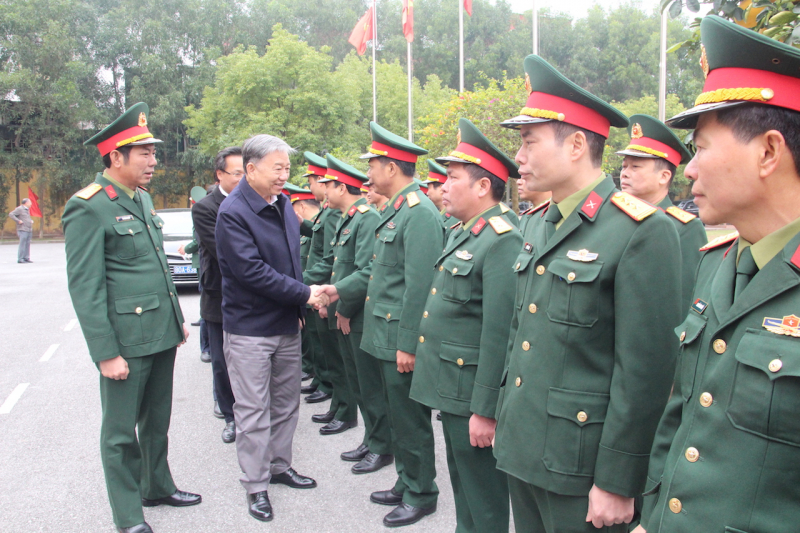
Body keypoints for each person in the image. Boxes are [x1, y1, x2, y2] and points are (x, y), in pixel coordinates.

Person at [492, 56, 683, 533]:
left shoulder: (641, 231)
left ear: (576, 144)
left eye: (529, 141)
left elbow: (646, 372)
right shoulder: (539, 222)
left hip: (582, 468)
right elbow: (523, 334)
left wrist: (619, 480)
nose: (519, 156)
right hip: (524, 446)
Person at [632, 16, 800, 533]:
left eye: (701, 147)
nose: (689, 169)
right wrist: (652, 517)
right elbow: (682, 416)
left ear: (769, 152)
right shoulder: (719, 262)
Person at [62, 102, 199, 533]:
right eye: (145, 153)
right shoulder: (88, 207)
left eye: (154, 153)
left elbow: (157, 265)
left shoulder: (141, 198)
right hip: (125, 340)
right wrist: (105, 353)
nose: (154, 162)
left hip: (158, 331)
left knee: (157, 422)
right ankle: (127, 516)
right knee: (121, 434)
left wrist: (176, 319)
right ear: (116, 157)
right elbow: (86, 288)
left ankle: (157, 486)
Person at [319, 121, 444, 527]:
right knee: (395, 413)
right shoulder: (394, 211)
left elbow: (419, 286)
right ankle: (406, 481)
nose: (367, 175)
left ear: (391, 168)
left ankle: (422, 492)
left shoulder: (419, 213)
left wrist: (408, 344)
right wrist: (339, 292)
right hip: (382, 334)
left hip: (399, 340)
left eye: (372, 165)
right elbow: (379, 274)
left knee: (410, 420)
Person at [410, 118, 522, 533]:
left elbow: (499, 333)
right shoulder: (466, 232)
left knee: (485, 500)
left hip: (472, 393)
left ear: (482, 186)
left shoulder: (502, 238)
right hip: (454, 389)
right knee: (465, 491)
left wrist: (485, 410)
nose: (443, 185)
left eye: (452, 178)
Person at [215, 134, 325, 523]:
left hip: (285, 323)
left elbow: (291, 262)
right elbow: (252, 273)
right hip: (250, 329)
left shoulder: (280, 205)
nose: (284, 176)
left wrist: (300, 300)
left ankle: (280, 466)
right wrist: (306, 294)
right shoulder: (233, 212)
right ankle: (256, 484)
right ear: (251, 169)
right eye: (277, 169)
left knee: (284, 403)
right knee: (252, 411)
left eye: (287, 169)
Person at [316, 154, 394, 473]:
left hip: (358, 314)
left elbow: (366, 270)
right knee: (359, 384)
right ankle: (371, 438)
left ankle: (382, 445)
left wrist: (344, 309)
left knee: (370, 387)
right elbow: (339, 266)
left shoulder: (365, 218)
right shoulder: (350, 218)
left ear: (341, 187)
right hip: (345, 312)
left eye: (327, 186)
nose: (323, 192)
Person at [617, 114, 707, 308]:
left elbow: (685, 296)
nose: (624, 173)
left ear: (664, 176)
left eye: (635, 166)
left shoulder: (685, 228)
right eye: (624, 166)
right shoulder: (615, 219)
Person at [191, 146, 243, 444]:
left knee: (253, 360)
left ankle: (257, 415)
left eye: (243, 172)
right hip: (220, 296)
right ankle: (230, 416)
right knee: (223, 363)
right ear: (219, 174)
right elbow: (225, 251)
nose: (241, 179)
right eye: (235, 173)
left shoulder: (257, 200)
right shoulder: (206, 208)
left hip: (255, 297)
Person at [303, 153, 356, 428]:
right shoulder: (332, 212)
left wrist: (330, 298)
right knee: (335, 359)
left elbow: (336, 261)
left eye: (325, 182)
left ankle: (345, 410)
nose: (319, 186)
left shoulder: (344, 215)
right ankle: (339, 406)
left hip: (337, 295)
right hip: (329, 293)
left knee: (339, 360)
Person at [299, 152, 336, 405]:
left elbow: (332, 257)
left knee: (326, 347)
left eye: (311, 180)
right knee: (317, 339)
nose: (309, 186)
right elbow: (316, 236)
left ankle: (329, 385)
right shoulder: (326, 211)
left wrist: (301, 280)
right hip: (316, 285)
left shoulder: (333, 213)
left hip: (325, 287)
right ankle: (322, 380)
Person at [284, 182, 320, 384]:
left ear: (302, 207)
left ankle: (324, 382)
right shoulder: (314, 224)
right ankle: (318, 378)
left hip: (318, 293)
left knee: (323, 348)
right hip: (309, 291)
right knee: (313, 341)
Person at [9, 198, 33, 263]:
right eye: (30, 202)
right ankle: (20, 258)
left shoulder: (27, 210)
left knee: (27, 244)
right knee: (22, 244)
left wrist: (30, 221)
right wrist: (18, 221)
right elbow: (11, 214)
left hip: (28, 229)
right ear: (26, 203)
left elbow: (25, 218)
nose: (31, 203)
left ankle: (26, 257)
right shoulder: (20, 209)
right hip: (22, 229)